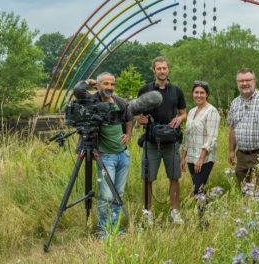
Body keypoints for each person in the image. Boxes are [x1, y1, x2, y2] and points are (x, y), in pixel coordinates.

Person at [73, 72, 133, 237]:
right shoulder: (92, 100)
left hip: (123, 156)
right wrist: (88, 81)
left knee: (118, 194)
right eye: (106, 84)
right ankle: (104, 229)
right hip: (105, 157)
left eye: (112, 84)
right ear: (99, 85)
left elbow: (129, 119)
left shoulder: (120, 102)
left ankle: (115, 227)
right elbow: (78, 90)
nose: (109, 87)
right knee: (106, 195)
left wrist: (128, 134)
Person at [136, 56, 187, 224]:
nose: (162, 71)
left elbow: (184, 112)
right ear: (154, 70)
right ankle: (147, 212)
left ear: (168, 69)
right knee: (147, 177)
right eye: (159, 68)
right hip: (151, 140)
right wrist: (138, 118)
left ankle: (175, 212)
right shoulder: (145, 89)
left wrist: (180, 119)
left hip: (172, 141)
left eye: (165, 68)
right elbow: (134, 110)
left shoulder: (176, 91)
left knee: (174, 176)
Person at [227, 68, 259, 188]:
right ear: (237, 83)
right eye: (241, 81)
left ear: (254, 81)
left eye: (248, 80)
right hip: (241, 156)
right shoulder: (235, 103)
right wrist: (231, 151)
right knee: (244, 192)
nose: (245, 83)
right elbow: (233, 128)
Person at [180, 81, 220, 197]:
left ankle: (203, 214)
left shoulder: (211, 111)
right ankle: (204, 213)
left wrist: (201, 159)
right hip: (191, 157)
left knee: (198, 188)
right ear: (192, 94)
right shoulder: (192, 111)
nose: (199, 95)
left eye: (202, 93)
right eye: (196, 92)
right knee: (198, 189)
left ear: (207, 94)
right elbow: (187, 136)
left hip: (204, 159)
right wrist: (183, 157)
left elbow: (211, 138)